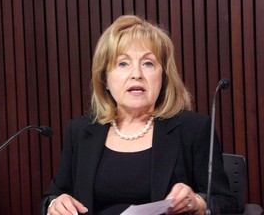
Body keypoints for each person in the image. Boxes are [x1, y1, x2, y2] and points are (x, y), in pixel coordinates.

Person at [42, 15, 237, 215]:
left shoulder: (193, 129)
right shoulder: (81, 131)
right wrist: (55, 203)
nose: (136, 74)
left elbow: (228, 203)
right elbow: (54, 195)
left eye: (148, 64)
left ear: (164, 77)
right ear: (105, 80)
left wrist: (197, 202)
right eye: (123, 64)